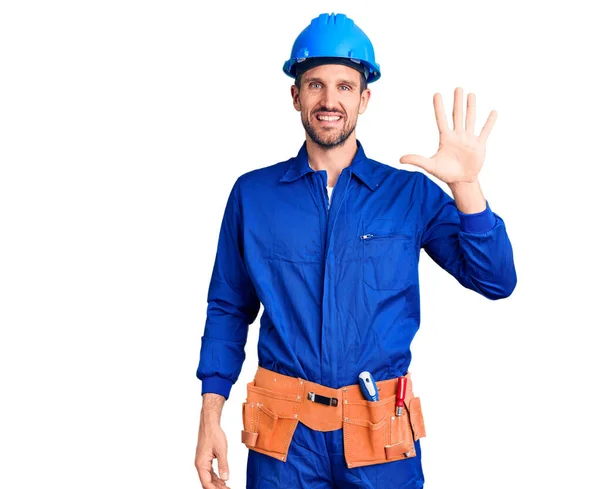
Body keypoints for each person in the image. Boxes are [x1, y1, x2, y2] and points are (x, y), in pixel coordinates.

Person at [194, 12, 516, 489]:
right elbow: (227, 308)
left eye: (345, 87)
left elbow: (496, 281)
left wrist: (467, 186)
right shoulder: (253, 196)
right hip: (284, 443)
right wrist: (209, 415)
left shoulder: (409, 196)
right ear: (295, 95)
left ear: (364, 98)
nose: (329, 100)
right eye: (316, 85)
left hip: (380, 438)